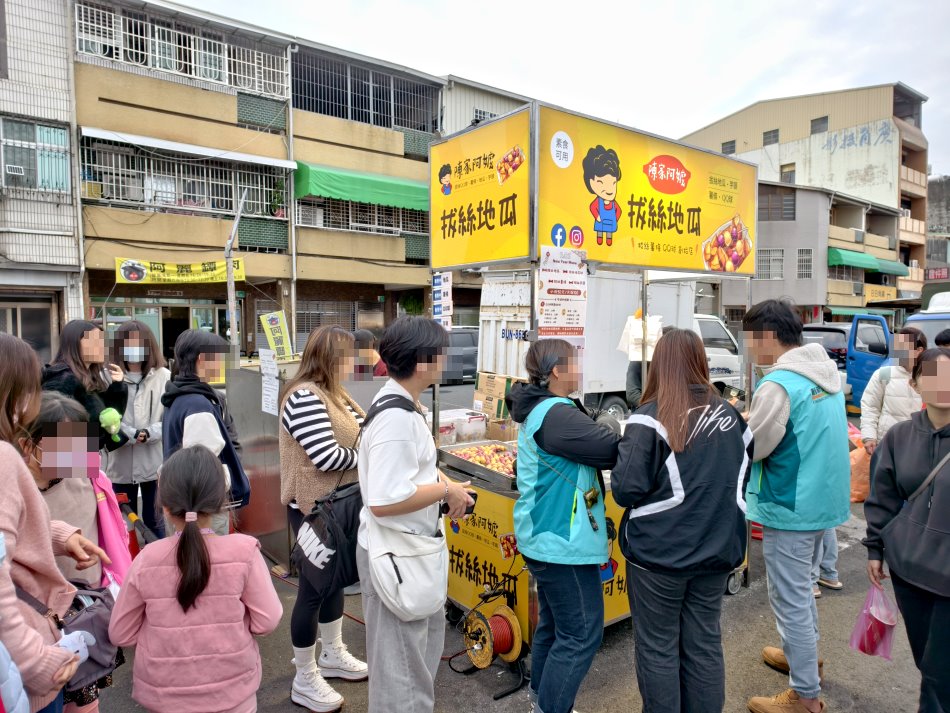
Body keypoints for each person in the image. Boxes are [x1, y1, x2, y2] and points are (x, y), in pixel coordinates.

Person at [611, 329, 753, 713]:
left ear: (658, 366)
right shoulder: (732, 417)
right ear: (700, 362)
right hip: (718, 550)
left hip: (659, 556)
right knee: (704, 643)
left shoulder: (650, 418)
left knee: (658, 646)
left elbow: (625, 490)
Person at [109, 445, 282, 713]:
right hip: (234, 694)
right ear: (221, 502)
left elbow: (120, 632)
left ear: (164, 507)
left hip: (164, 697)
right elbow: (267, 620)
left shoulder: (146, 559)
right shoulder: (244, 552)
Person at [356, 317, 473, 713]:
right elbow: (385, 498)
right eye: (441, 353)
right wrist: (445, 490)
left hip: (406, 553)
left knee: (413, 667)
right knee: (401, 680)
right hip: (396, 556)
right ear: (423, 362)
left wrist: (446, 485)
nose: (446, 360)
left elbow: (413, 469)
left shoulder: (403, 403)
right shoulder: (397, 418)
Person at [742, 300, 850, 713]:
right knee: (801, 592)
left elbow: (754, 446)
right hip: (823, 502)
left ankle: (805, 697)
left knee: (790, 597)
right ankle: (806, 661)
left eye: (752, 340)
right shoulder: (823, 374)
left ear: (767, 337)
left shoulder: (781, 383)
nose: (751, 349)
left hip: (791, 505)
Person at [506, 338, 621, 713]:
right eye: (574, 362)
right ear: (557, 370)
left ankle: (543, 698)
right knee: (582, 633)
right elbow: (609, 447)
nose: (580, 369)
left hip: (546, 535)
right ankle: (550, 706)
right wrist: (610, 423)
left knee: (555, 627)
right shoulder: (555, 413)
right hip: (560, 541)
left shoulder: (545, 408)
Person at [0, 333, 111, 713]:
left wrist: (65, 537)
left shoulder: (84, 477)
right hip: (34, 641)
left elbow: (27, 526)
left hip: (74, 612)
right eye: (30, 386)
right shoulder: (7, 464)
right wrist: (36, 663)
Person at [19, 392, 130, 713]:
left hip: (83, 612)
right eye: (62, 446)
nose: (75, 454)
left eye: (79, 443)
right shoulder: (14, 488)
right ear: (28, 446)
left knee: (85, 703)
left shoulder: (88, 476)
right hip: (33, 626)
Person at [279, 326, 368, 711]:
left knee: (332, 585)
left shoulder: (334, 392)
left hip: (339, 505)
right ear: (332, 356)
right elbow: (326, 456)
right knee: (313, 591)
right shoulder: (303, 396)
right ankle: (305, 676)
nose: (355, 362)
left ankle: (332, 653)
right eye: (349, 355)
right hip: (313, 510)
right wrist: (370, 456)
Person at [864, 347, 950, 713]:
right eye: (932, 375)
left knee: (937, 675)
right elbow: (881, 497)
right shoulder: (898, 438)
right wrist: (875, 549)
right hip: (910, 573)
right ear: (915, 384)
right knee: (926, 663)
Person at [161, 330, 249, 536]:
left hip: (180, 503)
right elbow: (202, 469)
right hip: (202, 510)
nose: (221, 364)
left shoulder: (177, 395)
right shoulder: (198, 405)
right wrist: (229, 482)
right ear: (203, 359)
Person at [103, 321, 170, 539]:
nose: (133, 350)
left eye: (138, 343)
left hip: (153, 465)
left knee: (155, 522)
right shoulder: (107, 376)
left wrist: (149, 433)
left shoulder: (164, 376)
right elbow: (106, 415)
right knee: (120, 524)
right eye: (127, 344)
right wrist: (132, 434)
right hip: (118, 464)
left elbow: (167, 417)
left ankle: (157, 567)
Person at [41, 320, 127, 452]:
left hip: (86, 456)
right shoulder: (62, 378)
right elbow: (53, 430)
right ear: (75, 343)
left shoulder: (89, 378)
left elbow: (110, 419)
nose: (102, 345)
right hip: (68, 459)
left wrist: (118, 387)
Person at [861, 326, 926, 456]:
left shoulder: (931, 373)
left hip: (921, 444)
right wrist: (869, 436)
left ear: (918, 350)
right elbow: (870, 406)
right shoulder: (884, 373)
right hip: (887, 443)